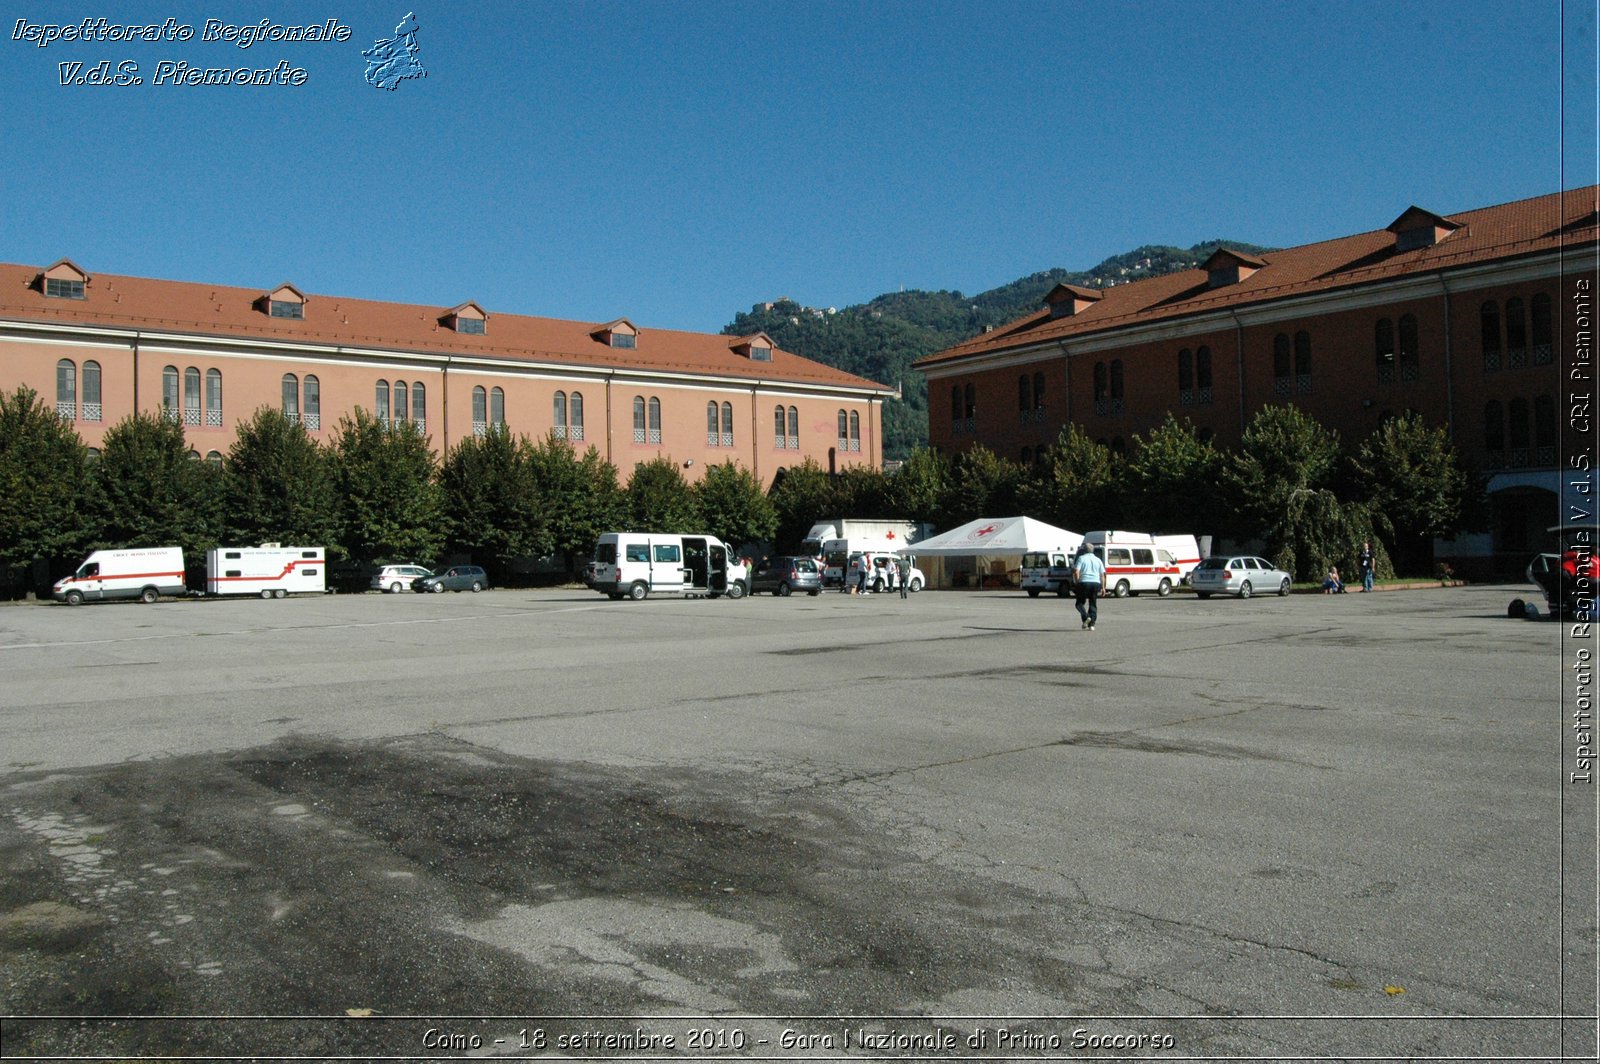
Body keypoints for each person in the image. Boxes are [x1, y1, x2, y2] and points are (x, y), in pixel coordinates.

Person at [1072, 544, 1104, 630]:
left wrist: (1077, 582)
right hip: (1096, 583)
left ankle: (1085, 618)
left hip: (1084, 582)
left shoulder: (1081, 558)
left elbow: (1076, 571)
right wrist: (1103, 587)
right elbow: (1102, 575)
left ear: (1084, 550)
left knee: (1079, 603)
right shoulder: (1098, 560)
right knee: (1093, 603)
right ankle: (1092, 624)